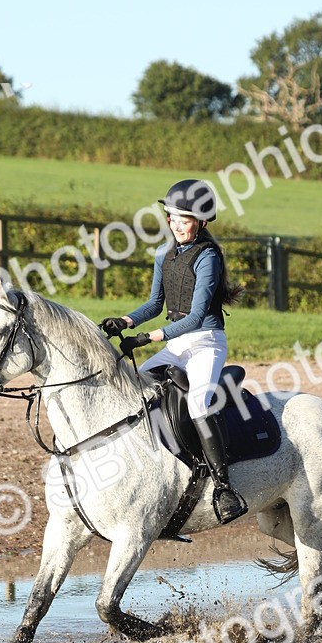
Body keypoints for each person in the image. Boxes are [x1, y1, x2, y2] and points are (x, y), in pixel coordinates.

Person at [99, 179, 247, 525]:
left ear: (202, 222)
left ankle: (223, 487)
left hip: (206, 342)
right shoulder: (163, 254)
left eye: (184, 219)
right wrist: (124, 321)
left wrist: (146, 338)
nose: (176, 225)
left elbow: (195, 317)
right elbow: (155, 304)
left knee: (198, 404)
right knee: (136, 385)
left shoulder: (208, 257)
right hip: (177, 344)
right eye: (172, 218)